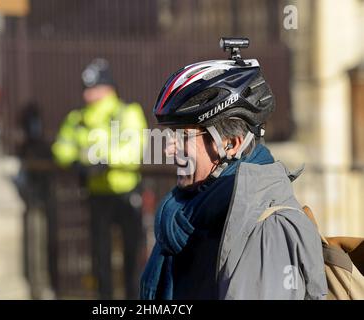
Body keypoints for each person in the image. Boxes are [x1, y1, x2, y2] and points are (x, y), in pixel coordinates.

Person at [140, 39, 327, 300]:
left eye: (182, 136)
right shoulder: (189, 218)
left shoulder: (267, 228)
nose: (168, 150)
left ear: (230, 144)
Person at [52, 58, 148, 299]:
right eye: (87, 88)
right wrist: (74, 160)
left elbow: (135, 147)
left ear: (109, 88)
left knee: (132, 257)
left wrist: (104, 160)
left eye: (94, 88)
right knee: (100, 257)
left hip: (126, 192)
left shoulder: (127, 112)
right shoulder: (78, 117)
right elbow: (61, 146)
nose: (89, 94)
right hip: (97, 194)